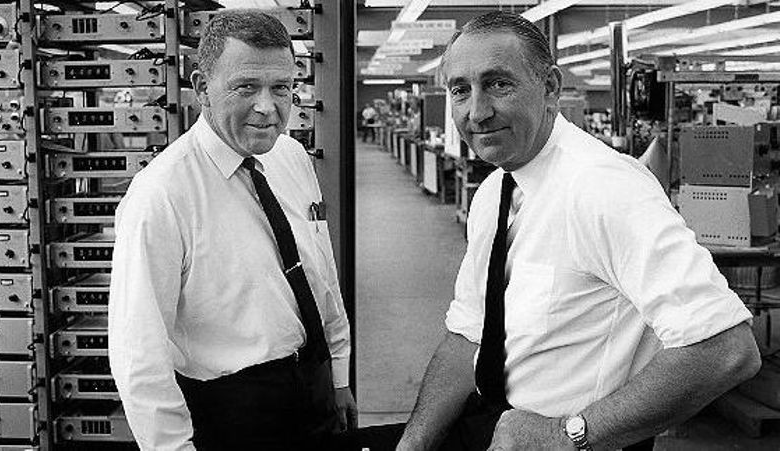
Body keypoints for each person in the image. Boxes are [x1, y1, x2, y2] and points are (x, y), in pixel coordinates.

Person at [394, 11, 760, 451]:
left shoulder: (603, 186)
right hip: (495, 425)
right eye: (460, 90)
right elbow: (468, 334)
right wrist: (412, 444)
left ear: (550, 87)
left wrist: (564, 436)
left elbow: (727, 348)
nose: (477, 111)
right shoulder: (495, 191)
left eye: (498, 84)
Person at [108, 10, 357, 451]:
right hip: (233, 412)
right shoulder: (161, 195)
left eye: (281, 88)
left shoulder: (290, 157)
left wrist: (337, 374)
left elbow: (321, 272)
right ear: (202, 87)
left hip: (313, 385)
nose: (267, 107)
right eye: (246, 87)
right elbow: (139, 353)